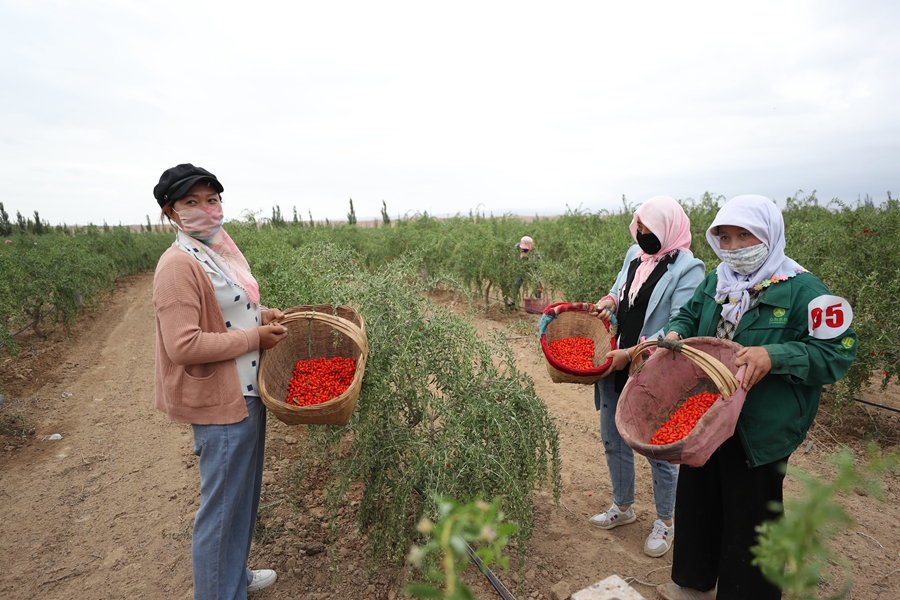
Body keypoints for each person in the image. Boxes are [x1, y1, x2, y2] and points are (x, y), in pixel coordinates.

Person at [658, 195, 857, 600]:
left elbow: (838, 352)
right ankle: (694, 581)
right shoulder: (717, 280)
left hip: (761, 425)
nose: (733, 247)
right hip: (708, 416)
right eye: (725, 238)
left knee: (751, 514)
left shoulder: (806, 292)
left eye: (743, 236)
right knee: (698, 498)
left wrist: (776, 355)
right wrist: (676, 332)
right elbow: (689, 313)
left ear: (768, 234)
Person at [152, 163, 289, 599]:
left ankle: (232, 576)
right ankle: (219, 592)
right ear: (172, 212)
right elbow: (184, 345)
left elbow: (223, 313)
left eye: (211, 199)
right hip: (221, 400)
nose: (205, 209)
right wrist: (254, 336)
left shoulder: (217, 253)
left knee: (241, 501)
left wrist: (258, 317)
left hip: (247, 392)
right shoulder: (177, 265)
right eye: (191, 202)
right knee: (222, 509)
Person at [590, 196, 705, 558]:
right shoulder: (633, 255)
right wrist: (609, 301)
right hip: (615, 360)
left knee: (658, 449)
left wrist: (635, 354)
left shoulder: (689, 268)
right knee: (614, 438)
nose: (641, 234)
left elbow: (679, 325)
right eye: (638, 227)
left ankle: (666, 521)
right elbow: (619, 289)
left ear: (667, 229)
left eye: (648, 229)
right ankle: (622, 507)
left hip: (652, 369)